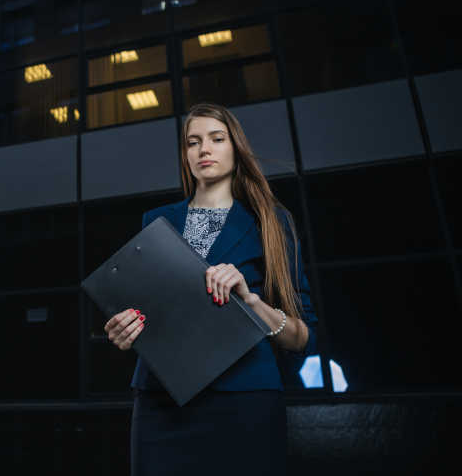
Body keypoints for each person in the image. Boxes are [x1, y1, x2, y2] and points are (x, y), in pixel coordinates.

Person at [103, 102, 319, 475]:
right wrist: (127, 328)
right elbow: (146, 310)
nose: (203, 149)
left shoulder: (270, 221)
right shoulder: (156, 221)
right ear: (185, 155)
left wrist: (251, 302)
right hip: (161, 402)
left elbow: (303, 338)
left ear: (235, 148)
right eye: (193, 142)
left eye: (216, 139)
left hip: (244, 399)